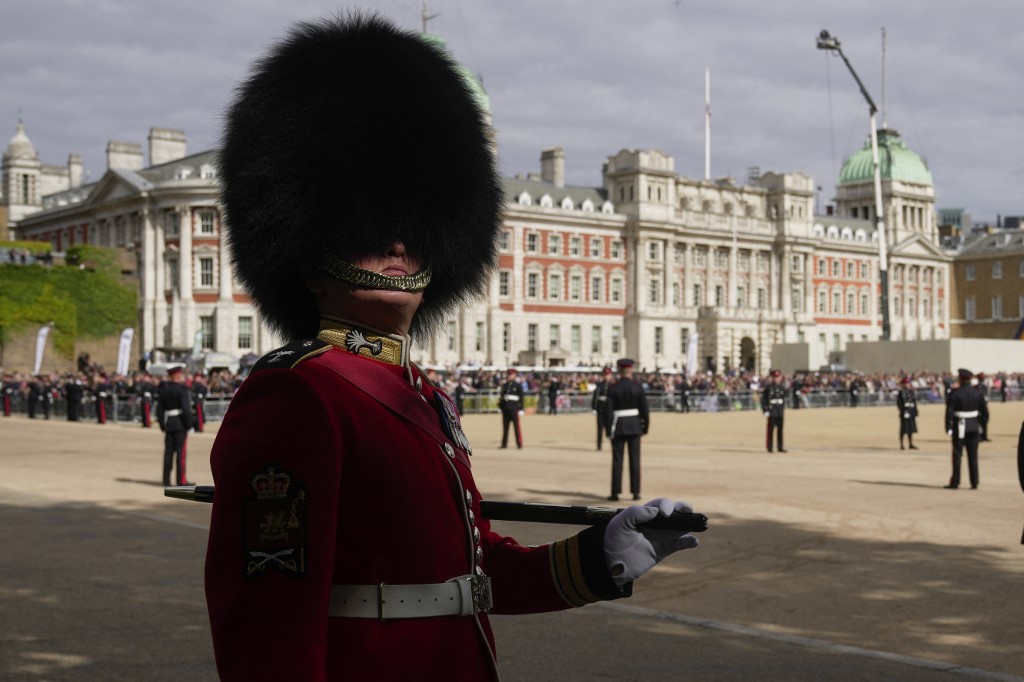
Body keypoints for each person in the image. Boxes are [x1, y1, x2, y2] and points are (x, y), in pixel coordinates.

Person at [203, 15, 699, 680]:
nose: (399, 242)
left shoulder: (421, 396)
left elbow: (469, 574)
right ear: (308, 253)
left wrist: (598, 556)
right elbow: (268, 628)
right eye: (369, 225)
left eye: (414, 223)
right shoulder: (297, 396)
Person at [604, 358, 649, 501]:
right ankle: (636, 492)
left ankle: (615, 492)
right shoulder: (638, 387)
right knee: (635, 460)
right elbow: (645, 410)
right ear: (630, 370)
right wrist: (645, 427)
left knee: (617, 461)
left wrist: (608, 429)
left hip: (618, 426)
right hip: (635, 426)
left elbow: (608, 412)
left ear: (619, 370)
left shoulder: (613, 388)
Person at [944, 368, 987, 490]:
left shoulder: (955, 393)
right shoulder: (977, 392)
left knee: (957, 456)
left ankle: (955, 482)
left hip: (959, 427)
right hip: (973, 427)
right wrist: (981, 425)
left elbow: (949, 412)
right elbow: (985, 412)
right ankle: (974, 482)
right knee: (973, 457)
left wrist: (948, 427)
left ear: (961, 379)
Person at [157, 365, 194, 486]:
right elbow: (185, 409)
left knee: (168, 453)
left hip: (169, 423)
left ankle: (166, 480)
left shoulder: (163, 389)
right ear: (177, 376)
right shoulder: (181, 389)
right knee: (180, 454)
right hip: (180, 424)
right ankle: (181, 480)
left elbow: (160, 409)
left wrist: (162, 423)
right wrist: (189, 425)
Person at [761, 369, 787, 453]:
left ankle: (780, 446)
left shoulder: (782, 387)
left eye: (778, 377)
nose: (777, 379)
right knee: (770, 430)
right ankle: (770, 447)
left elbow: (783, 398)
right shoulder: (769, 387)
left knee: (780, 430)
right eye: (775, 377)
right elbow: (764, 399)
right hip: (772, 410)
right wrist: (765, 410)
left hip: (779, 410)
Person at [498, 368, 524, 448]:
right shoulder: (505, 385)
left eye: (511, 375)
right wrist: (500, 407)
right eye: (508, 374)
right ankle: (504, 444)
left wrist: (521, 409)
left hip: (514, 408)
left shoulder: (518, 385)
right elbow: (502, 397)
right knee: (505, 427)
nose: (509, 376)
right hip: (506, 408)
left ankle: (519, 444)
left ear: (514, 375)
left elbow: (521, 397)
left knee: (516, 427)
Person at [592, 366, 613, 450]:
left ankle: (613, 444)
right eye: (605, 375)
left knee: (610, 428)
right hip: (600, 408)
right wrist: (594, 407)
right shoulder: (599, 385)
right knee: (600, 428)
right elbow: (595, 396)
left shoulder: (613, 385)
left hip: (609, 408)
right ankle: (599, 445)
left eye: (608, 375)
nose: (606, 376)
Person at [896, 376, 918, 450]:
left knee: (910, 429)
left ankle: (910, 444)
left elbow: (914, 402)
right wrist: (903, 411)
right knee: (903, 429)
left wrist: (915, 412)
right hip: (904, 412)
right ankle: (901, 444)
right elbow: (899, 403)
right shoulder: (901, 393)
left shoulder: (911, 392)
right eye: (906, 383)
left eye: (908, 383)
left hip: (911, 411)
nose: (908, 385)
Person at [975, 372, 991, 441]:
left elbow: (986, 395)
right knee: (979, 421)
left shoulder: (984, 386)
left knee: (984, 420)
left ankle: (984, 436)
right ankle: (980, 436)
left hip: (983, 405)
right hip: (978, 406)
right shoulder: (976, 387)